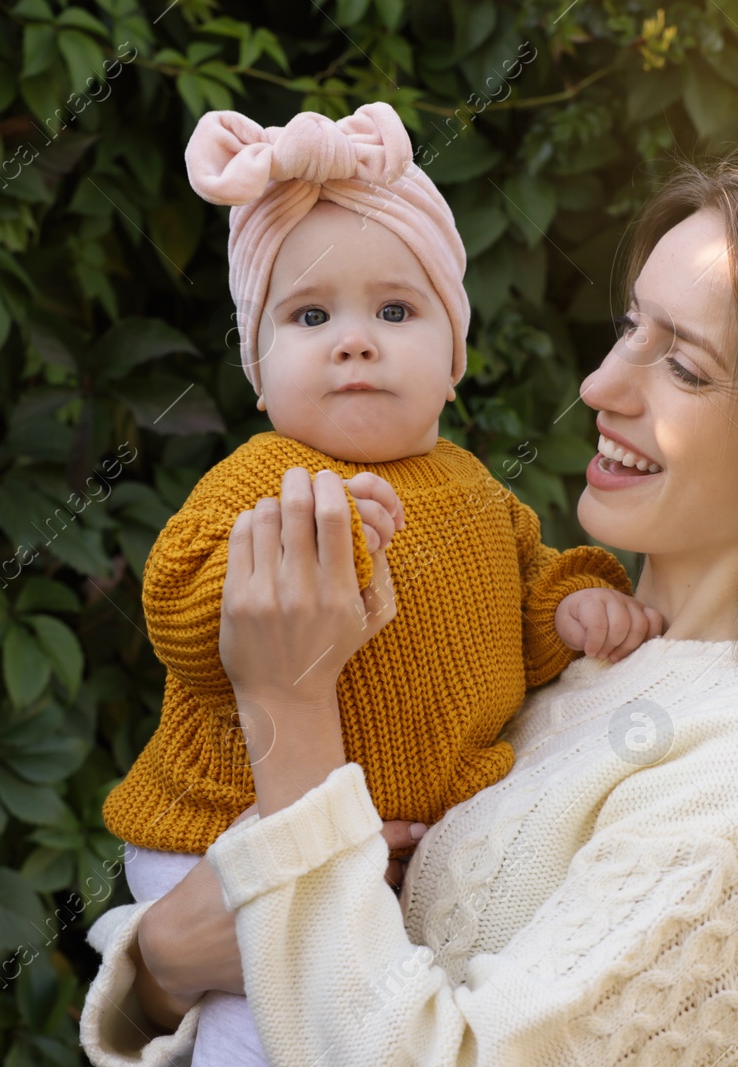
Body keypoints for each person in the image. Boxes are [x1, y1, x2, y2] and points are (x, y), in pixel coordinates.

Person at [78, 145, 738, 1066]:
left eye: (684, 367)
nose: (599, 387)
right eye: (629, 326)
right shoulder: (579, 653)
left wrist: (286, 707)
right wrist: (162, 963)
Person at [98, 101, 661, 1065]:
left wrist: (571, 607)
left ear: (454, 361)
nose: (354, 341)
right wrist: (313, 559)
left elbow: (518, 600)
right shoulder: (262, 481)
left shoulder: (477, 493)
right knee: (265, 1031)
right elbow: (181, 613)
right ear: (261, 372)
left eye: (396, 312)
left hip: (380, 863)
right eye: (310, 316)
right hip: (221, 832)